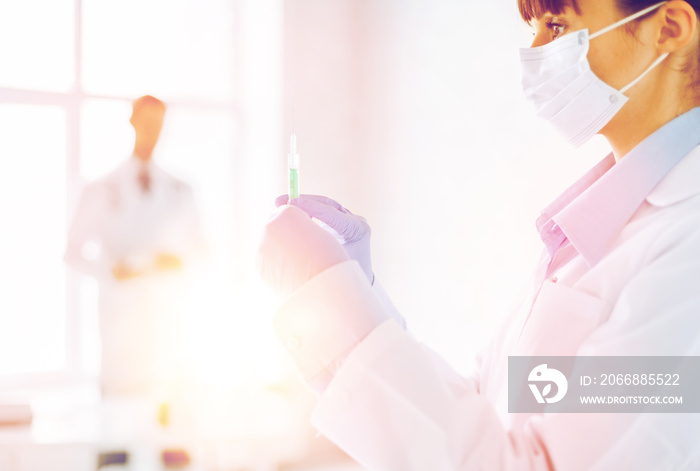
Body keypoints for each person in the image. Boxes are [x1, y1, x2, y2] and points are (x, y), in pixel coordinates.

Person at [257, 0, 700, 469]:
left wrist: (333, 306)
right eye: (533, 28)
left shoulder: (687, 250)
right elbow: (481, 415)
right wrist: (356, 299)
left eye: (556, 24)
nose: (533, 51)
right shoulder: (592, 234)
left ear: (668, 28)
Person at [65, 95, 205, 398]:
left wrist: (179, 262)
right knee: (119, 419)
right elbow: (72, 253)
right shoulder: (100, 189)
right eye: (146, 123)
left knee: (172, 421)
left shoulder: (182, 189)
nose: (152, 131)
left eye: (158, 124)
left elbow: (202, 252)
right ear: (132, 123)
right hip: (120, 317)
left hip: (169, 318)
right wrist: (110, 270)